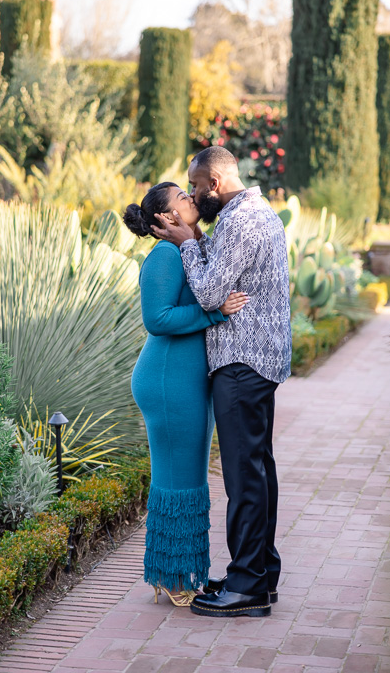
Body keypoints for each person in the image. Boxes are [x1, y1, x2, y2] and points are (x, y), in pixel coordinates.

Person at [152, 147, 292, 618]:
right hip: (257, 360)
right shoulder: (252, 211)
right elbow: (220, 272)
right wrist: (194, 236)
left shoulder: (238, 220)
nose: (191, 194)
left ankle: (247, 585)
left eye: (193, 186)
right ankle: (261, 574)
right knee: (258, 470)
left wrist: (187, 242)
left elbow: (210, 291)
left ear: (213, 183)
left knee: (243, 476)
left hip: (241, 361)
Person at [123, 181, 248, 608]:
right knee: (179, 478)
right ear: (164, 217)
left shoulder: (187, 249)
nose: (191, 198)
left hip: (187, 378)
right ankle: (175, 577)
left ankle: (176, 570)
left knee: (188, 477)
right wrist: (214, 312)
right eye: (181, 197)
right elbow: (157, 319)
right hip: (167, 379)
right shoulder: (163, 256)